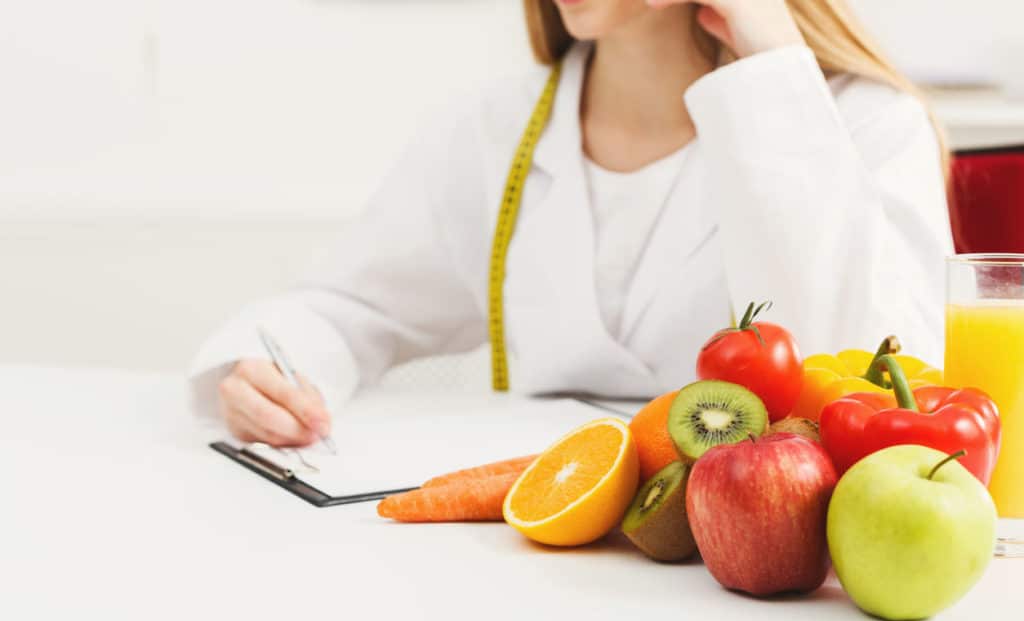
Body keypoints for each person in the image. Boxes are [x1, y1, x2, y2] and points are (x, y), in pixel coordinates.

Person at [189, 0, 952, 449]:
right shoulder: (493, 130)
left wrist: (773, 62)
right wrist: (268, 374)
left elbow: (867, 390)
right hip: (542, 567)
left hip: (762, 602)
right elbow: (345, 309)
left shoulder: (868, 128)